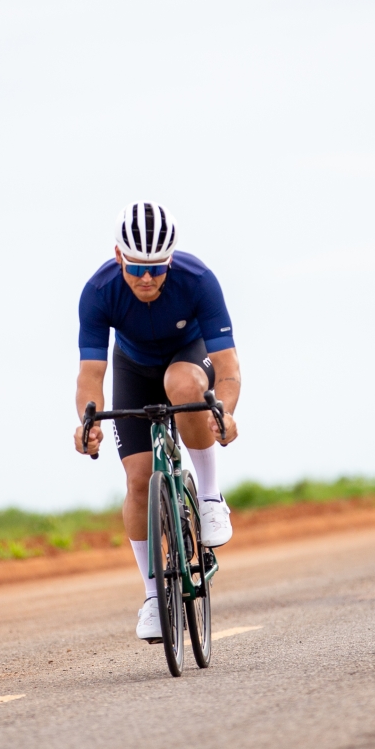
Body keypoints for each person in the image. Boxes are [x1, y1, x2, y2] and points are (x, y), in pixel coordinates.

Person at [73, 201, 241, 641]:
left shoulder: (198, 280)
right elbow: (91, 376)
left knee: (180, 383)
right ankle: (152, 597)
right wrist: (88, 423)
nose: (146, 278)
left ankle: (209, 497)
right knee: (138, 480)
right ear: (118, 256)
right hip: (133, 368)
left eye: (156, 268)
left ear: (170, 260)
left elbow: (227, 368)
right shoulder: (99, 291)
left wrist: (225, 412)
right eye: (136, 268)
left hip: (190, 358)